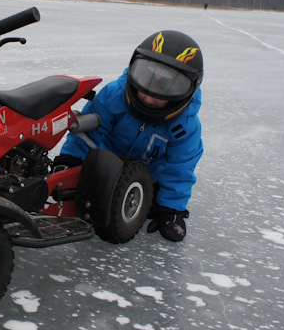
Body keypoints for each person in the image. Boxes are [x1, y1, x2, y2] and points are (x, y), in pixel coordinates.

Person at [57, 30, 204, 242]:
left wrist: (171, 208)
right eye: (146, 80)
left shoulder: (185, 125)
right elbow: (88, 132)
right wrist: (70, 162)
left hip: (149, 177)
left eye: (163, 88)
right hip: (105, 166)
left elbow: (181, 168)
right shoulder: (115, 95)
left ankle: (163, 206)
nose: (149, 95)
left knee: (149, 208)